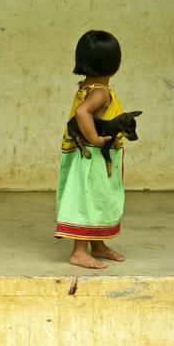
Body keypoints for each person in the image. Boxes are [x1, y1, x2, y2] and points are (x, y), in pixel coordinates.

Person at [55, 30, 129, 269]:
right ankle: (79, 251)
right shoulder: (101, 92)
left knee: (99, 199)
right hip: (92, 158)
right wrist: (96, 139)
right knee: (88, 200)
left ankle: (98, 245)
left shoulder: (87, 85)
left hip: (93, 157)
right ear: (114, 64)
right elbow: (82, 112)